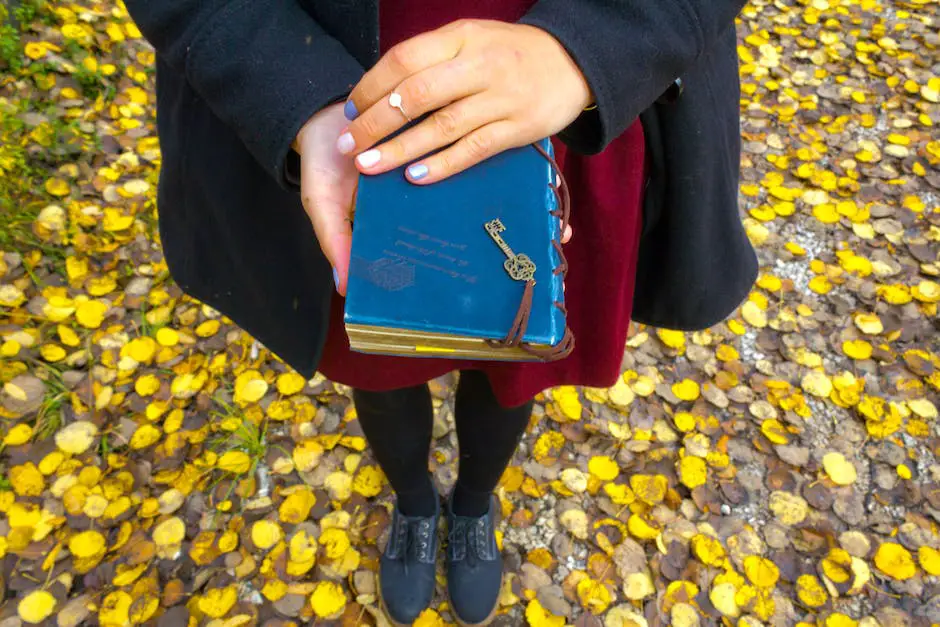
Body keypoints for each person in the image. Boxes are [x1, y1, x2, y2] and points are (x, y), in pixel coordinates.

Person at [125, 0, 758, 624]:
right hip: (344, 122)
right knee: (380, 358)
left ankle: (475, 506)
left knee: (516, 358)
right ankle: (415, 504)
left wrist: (594, 45)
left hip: (560, 114)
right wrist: (297, 93)